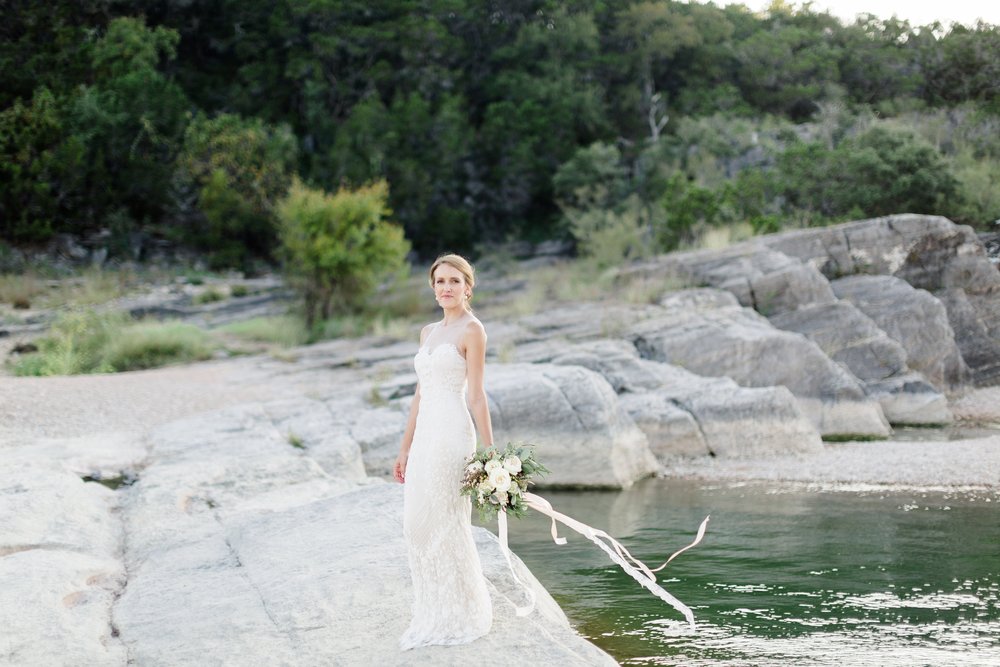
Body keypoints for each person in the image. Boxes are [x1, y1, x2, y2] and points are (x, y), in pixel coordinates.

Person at [393, 253, 494, 650]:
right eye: (440, 282)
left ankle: (463, 612)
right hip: (425, 437)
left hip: (453, 433)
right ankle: (433, 608)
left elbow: (477, 395)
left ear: (468, 286)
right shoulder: (427, 333)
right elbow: (419, 394)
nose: (446, 288)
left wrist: (489, 454)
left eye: (454, 281)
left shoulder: (473, 330)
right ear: (433, 288)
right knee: (416, 525)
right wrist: (404, 448)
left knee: (447, 522)